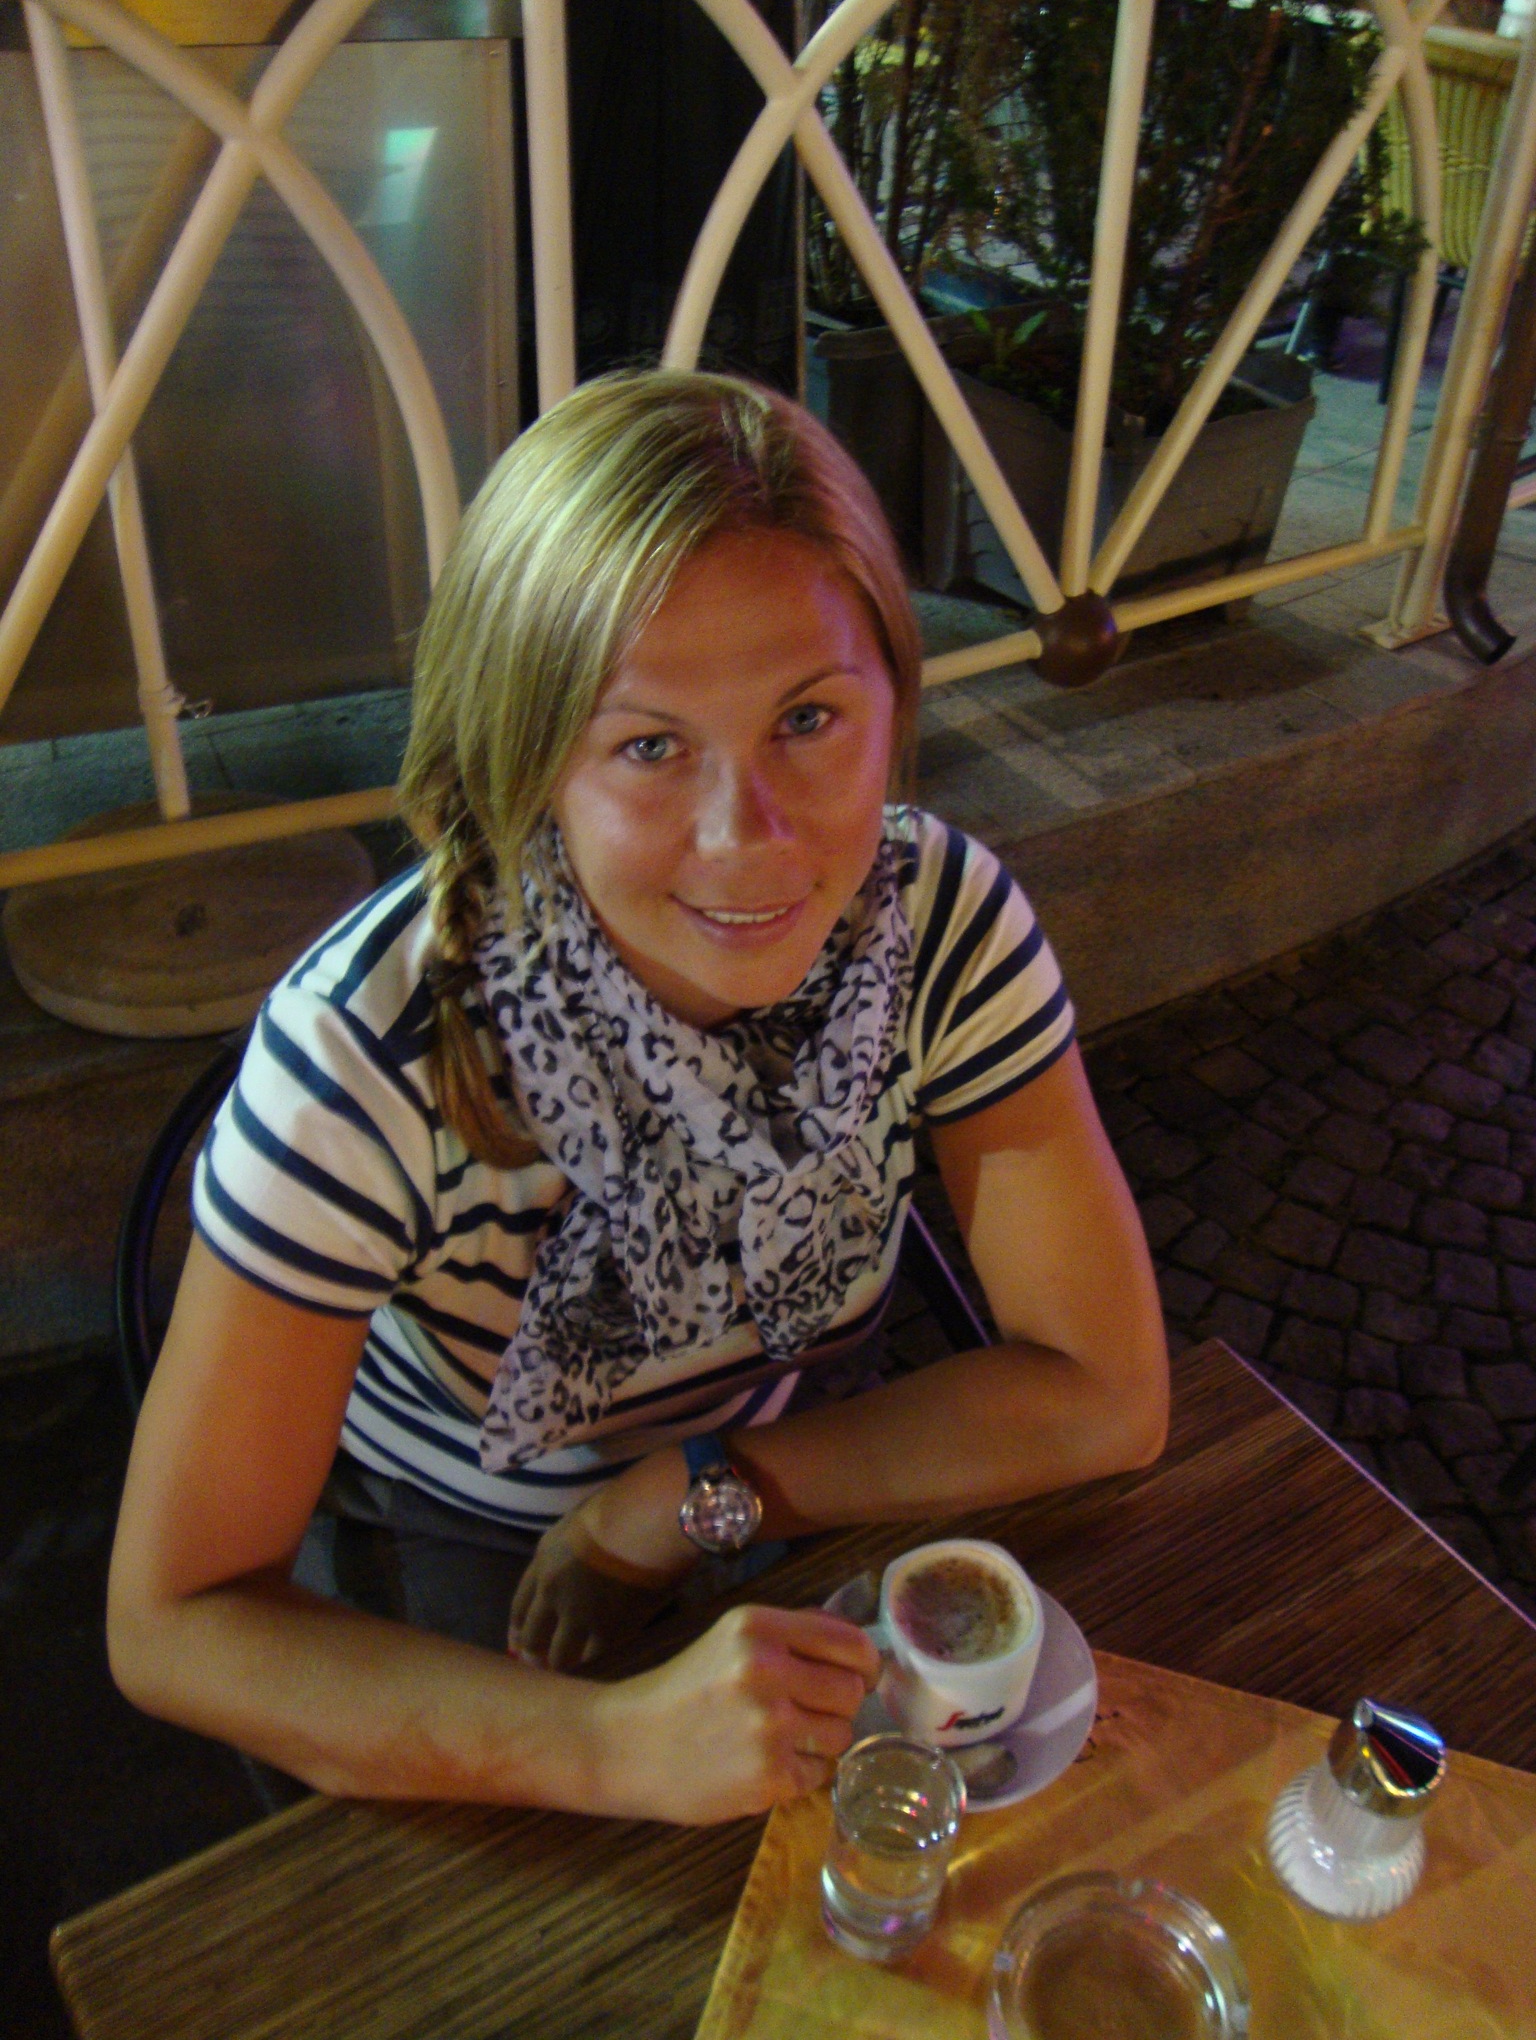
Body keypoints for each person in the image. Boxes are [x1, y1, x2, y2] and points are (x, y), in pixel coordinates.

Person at [107, 370, 1166, 1826]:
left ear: (896, 705)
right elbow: (175, 1623)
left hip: (796, 1448)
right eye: (649, 746)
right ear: (524, 759)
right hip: (464, 1523)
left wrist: (688, 1494)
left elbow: (1106, 1391)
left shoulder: (938, 921)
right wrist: (611, 1749)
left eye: (809, 719)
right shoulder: (361, 1063)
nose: (748, 838)